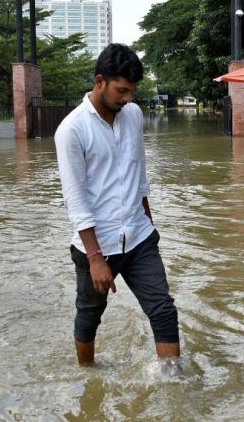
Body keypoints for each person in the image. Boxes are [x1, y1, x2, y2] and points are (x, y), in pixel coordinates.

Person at [54, 44, 181, 372]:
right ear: (100, 81)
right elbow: (76, 199)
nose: (127, 98)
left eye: (132, 91)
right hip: (97, 245)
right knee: (89, 314)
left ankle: (173, 381)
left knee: (163, 309)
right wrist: (95, 258)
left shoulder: (134, 115)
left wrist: (150, 226)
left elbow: (138, 175)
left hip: (139, 236)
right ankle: (87, 376)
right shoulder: (72, 130)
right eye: (122, 90)